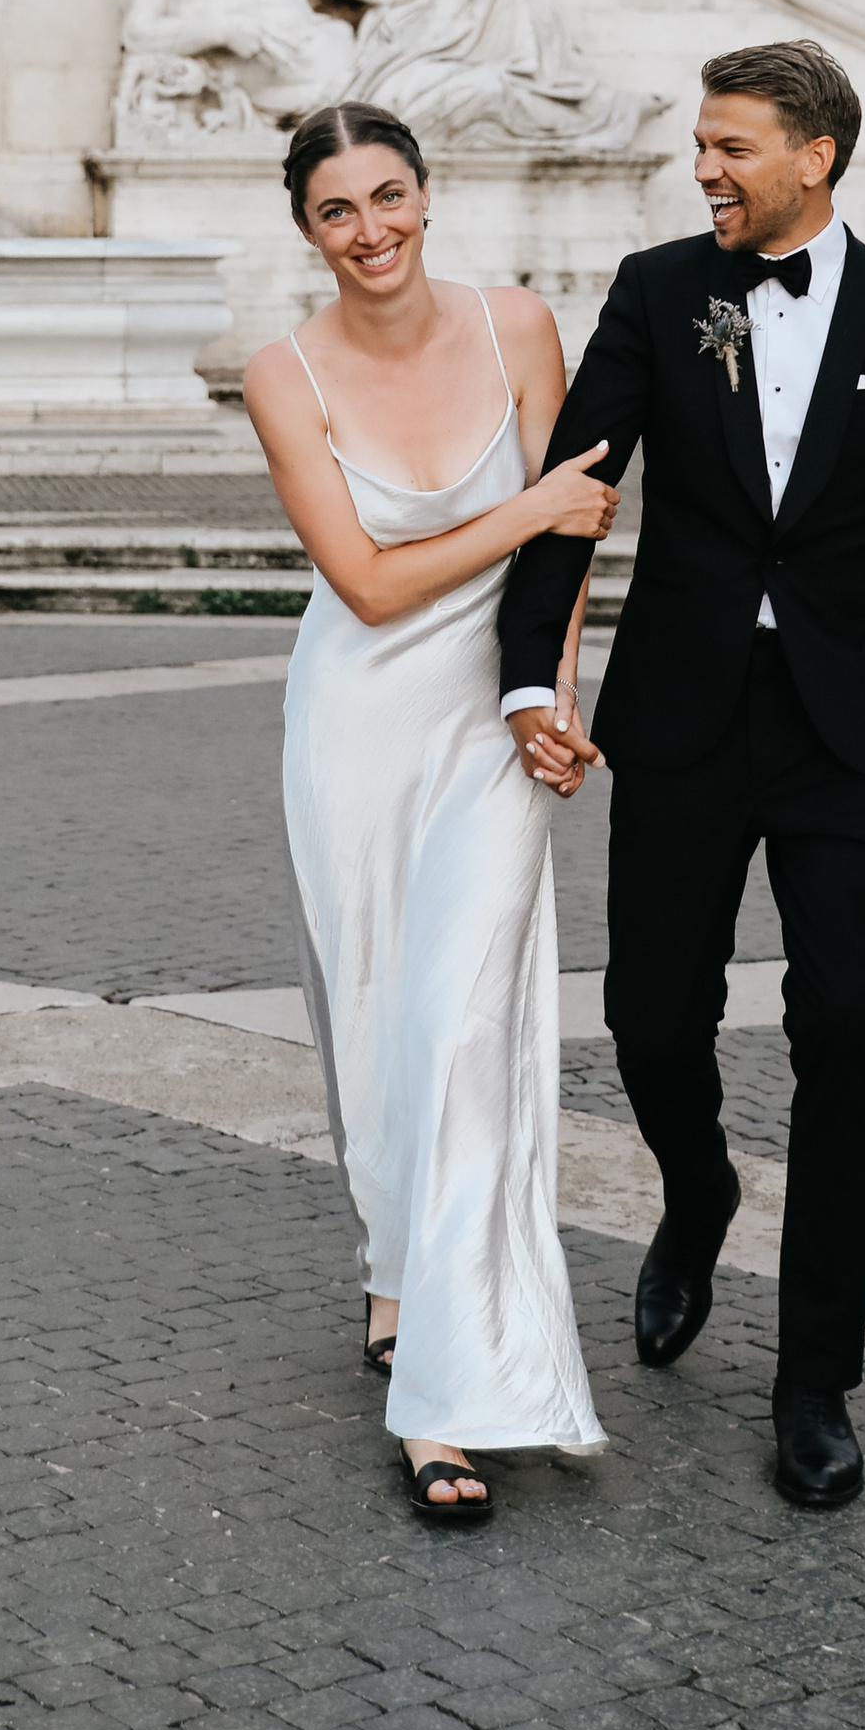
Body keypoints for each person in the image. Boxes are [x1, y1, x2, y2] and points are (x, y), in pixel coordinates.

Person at [497, 37, 865, 1512]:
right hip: (682, 712)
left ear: (814, 158)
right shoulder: (665, 292)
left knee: (846, 1022)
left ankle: (814, 1381)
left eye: (730, 147)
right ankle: (700, 1187)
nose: (704, 169)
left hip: (845, 728)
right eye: (701, 147)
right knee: (654, 1018)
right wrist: (536, 676)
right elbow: (574, 491)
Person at [243, 100, 617, 1524]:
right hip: (355, 719)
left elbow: (574, 554)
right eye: (339, 211)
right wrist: (530, 515)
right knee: (378, 1018)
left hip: (487, 720)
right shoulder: (283, 374)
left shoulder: (518, 325)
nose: (371, 230)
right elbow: (375, 583)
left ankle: (446, 1397)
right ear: (306, 231)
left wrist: (546, 690)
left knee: (467, 1027)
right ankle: (399, 1273)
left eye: (389, 197)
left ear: (425, 197)